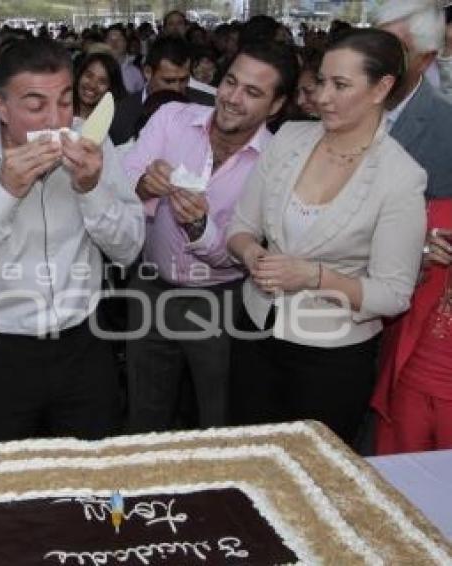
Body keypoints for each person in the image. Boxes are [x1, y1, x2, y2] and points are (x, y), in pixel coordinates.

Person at [0, 37, 144, 444]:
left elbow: (128, 247)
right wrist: (4, 192)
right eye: (36, 105)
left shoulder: (93, 143)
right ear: (1, 106)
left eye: (65, 101)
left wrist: (91, 188)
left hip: (84, 345)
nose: (57, 119)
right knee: (4, 486)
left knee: (91, 479)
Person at [226, 29, 427, 445]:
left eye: (341, 85)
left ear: (381, 88)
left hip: (332, 358)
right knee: (246, 458)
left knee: (311, 479)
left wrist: (316, 278)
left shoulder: (400, 177)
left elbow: (393, 294)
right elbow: (240, 228)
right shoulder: (289, 139)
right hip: (256, 332)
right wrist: (252, 257)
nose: (322, 97)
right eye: (321, 82)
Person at [122, 41, 297, 433]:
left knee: (219, 415)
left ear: (275, 105)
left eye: (253, 92)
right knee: (145, 412)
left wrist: (201, 228)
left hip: (221, 300)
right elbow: (121, 184)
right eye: (230, 82)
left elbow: (244, 252)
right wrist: (144, 187)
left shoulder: (279, 162)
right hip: (149, 287)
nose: (233, 99)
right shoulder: (171, 118)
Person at [372, 198, 452, 454]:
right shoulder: (434, 214)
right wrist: (417, 259)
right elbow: (380, 284)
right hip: (410, 383)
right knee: (399, 484)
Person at [377, 0, 452, 199]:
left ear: (425, 59)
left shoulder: (446, 126)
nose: (376, 57)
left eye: (394, 48)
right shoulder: (344, 102)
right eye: (374, 43)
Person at [109, 37, 214, 146]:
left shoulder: (207, 108)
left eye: (183, 80)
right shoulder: (121, 114)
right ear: (147, 72)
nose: (177, 89)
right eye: (168, 81)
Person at [73, 51, 127, 120]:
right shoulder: (57, 111)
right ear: (79, 76)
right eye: (89, 76)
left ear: (111, 88)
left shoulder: (115, 123)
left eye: (102, 81)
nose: (92, 85)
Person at [106, 24, 145, 93]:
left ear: (126, 43)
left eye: (119, 39)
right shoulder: (97, 68)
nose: (114, 43)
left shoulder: (135, 71)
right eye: (110, 39)